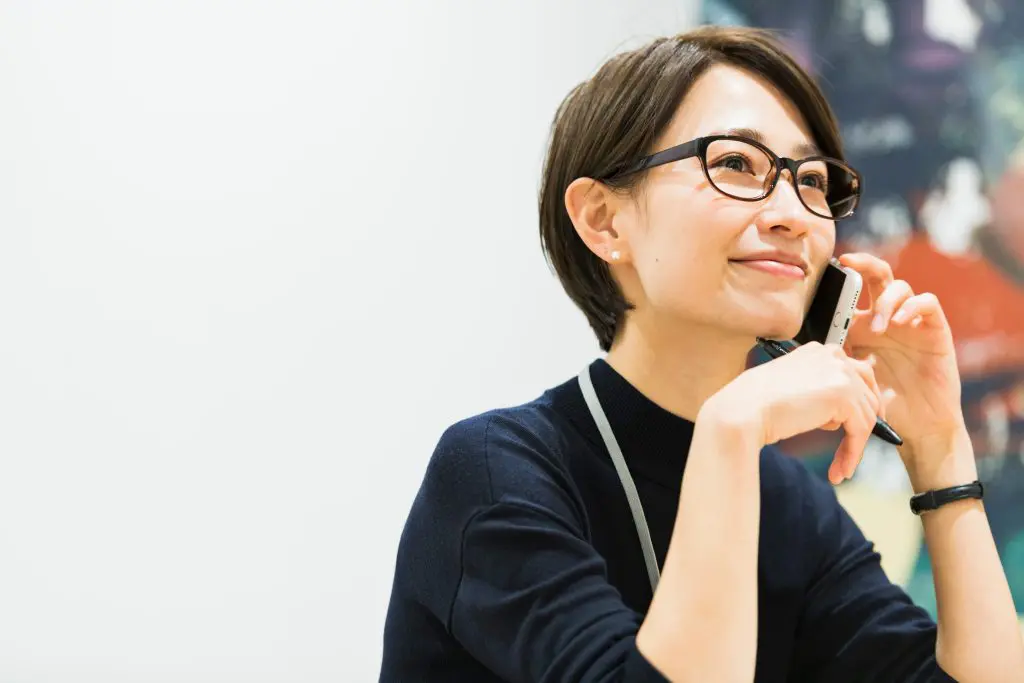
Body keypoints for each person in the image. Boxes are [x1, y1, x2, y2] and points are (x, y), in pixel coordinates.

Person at [379, 26, 1024, 682]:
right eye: (736, 164)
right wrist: (730, 430)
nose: (793, 213)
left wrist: (942, 447)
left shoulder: (792, 506)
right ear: (603, 219)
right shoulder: (495, 474)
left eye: (810, 180)